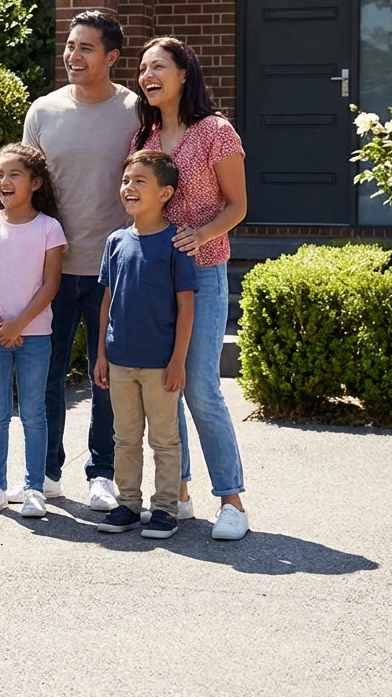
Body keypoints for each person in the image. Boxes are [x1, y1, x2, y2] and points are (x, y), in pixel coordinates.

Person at [20, 10, 140, 510]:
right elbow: (27, 190)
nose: (73, 55)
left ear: (111, 57)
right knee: (45, 374)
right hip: (53, 271)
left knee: (105, 374)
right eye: (70, 46)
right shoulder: (43, 111)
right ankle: (46, 472)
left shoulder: (136, 111)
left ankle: (102, 473)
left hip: (113, 273)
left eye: (86, 48)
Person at [133, 36, 250, 541]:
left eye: (157, 66)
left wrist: (202, 235)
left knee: (201, 387)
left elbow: (238, 205)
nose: (147, 75)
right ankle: (177, 494)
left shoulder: (215, 132)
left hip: (202, 272)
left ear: (184, 74)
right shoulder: (145, 139)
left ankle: (232, 503)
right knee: (166, 388)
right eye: (142, 68)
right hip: (156, 278)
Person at [94, 150, 197, 540]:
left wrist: (178, 361)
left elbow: (186, 305)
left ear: (166, 193)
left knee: (165, 440)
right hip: (119, 362)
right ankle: (128, 504)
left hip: (160, 365)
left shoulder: (177, 243)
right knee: (124, 437)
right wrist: (102, 354)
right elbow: (107, 301)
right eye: (126, 181)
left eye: (140, 181)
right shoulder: (116, 241)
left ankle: (166, 510)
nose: (129, 187)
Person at [0, 143, 67, 518]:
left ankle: (34, 489)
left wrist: (18, 324)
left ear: (35, 182)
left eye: (14, 174)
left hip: (35, 336)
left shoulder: (49, 228)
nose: (4, 181)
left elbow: (51, 283)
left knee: (33, 414)